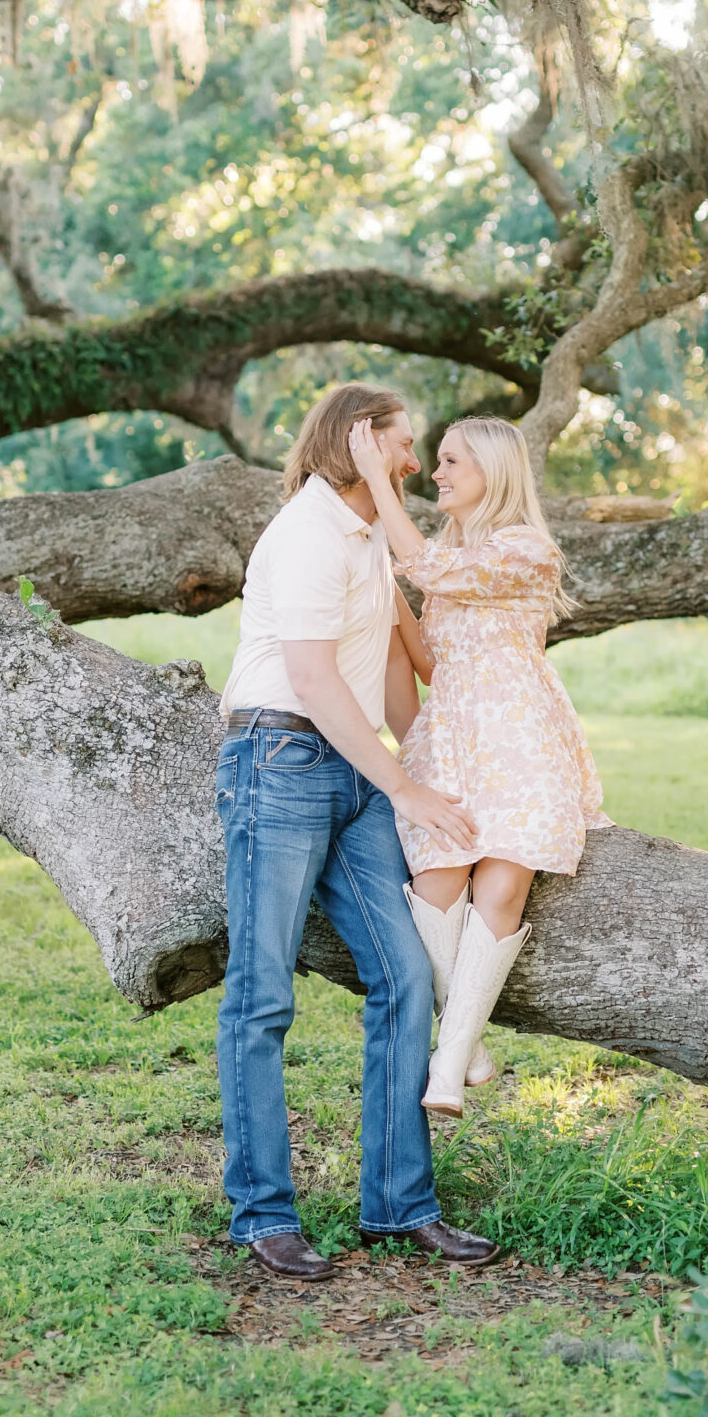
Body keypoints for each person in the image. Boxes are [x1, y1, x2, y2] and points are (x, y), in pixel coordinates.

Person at [213, 383, 502, 1283]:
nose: (415, 462)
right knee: (261, 997)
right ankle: (263, 1216)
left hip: (349, 770)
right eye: (402, 444)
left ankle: (399, 1205)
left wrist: (431, 768)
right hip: (278, 760)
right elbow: (310, 677)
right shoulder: (304, 535)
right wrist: (404, 787)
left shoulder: (370, 533)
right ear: (358, 443)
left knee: (407, 973)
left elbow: (382, 674)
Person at [347, 414, 608, 1117]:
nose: (437, 474)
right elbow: (436, 657)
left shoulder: (526, 548)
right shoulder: (451, 553)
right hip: (457, 733)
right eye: (436, 461)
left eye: (452, 462)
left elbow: (430, 566)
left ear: (492, 469)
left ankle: (449, 1067)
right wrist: (385, 582)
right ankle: (468, 1040)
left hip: (518, 733)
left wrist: (378, 479)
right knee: (436, 877)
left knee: (499, 888)